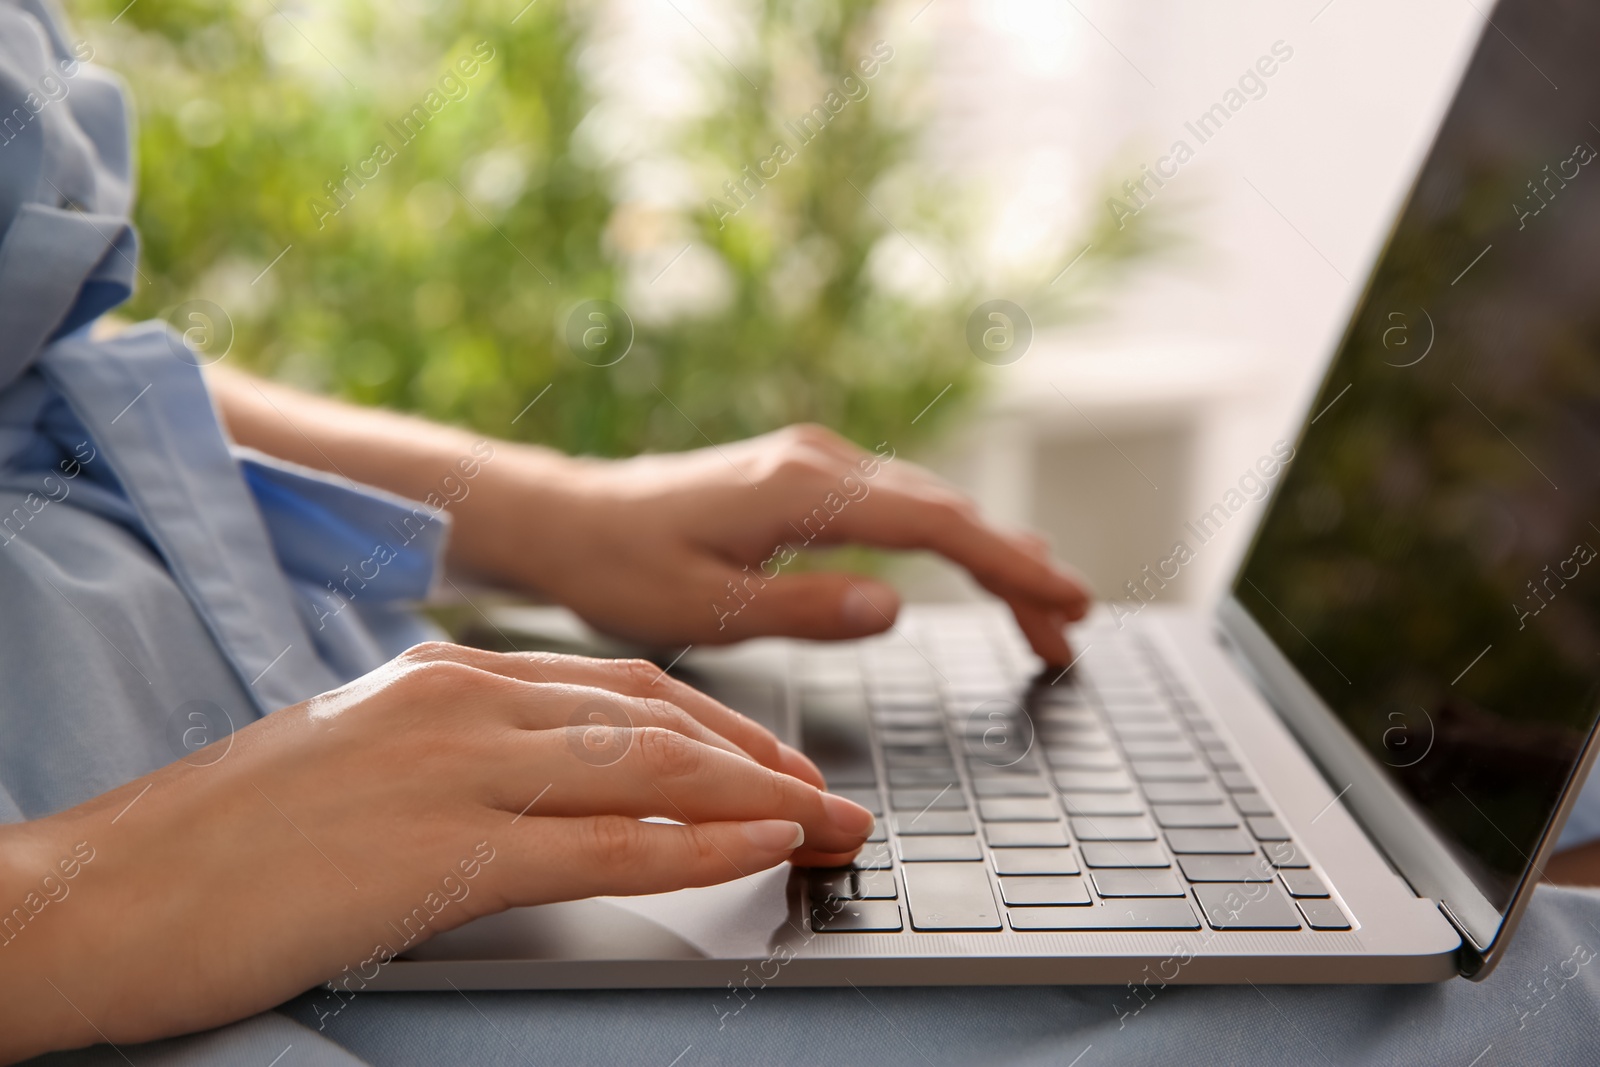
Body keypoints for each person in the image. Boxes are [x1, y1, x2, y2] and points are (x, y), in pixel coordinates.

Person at [2, 3, 1598, 1065]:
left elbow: (51, 346)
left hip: (287, 714)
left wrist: (537, 513)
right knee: (1518, 995)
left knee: (1480, 855)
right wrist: (89, 890)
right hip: (146, 917)